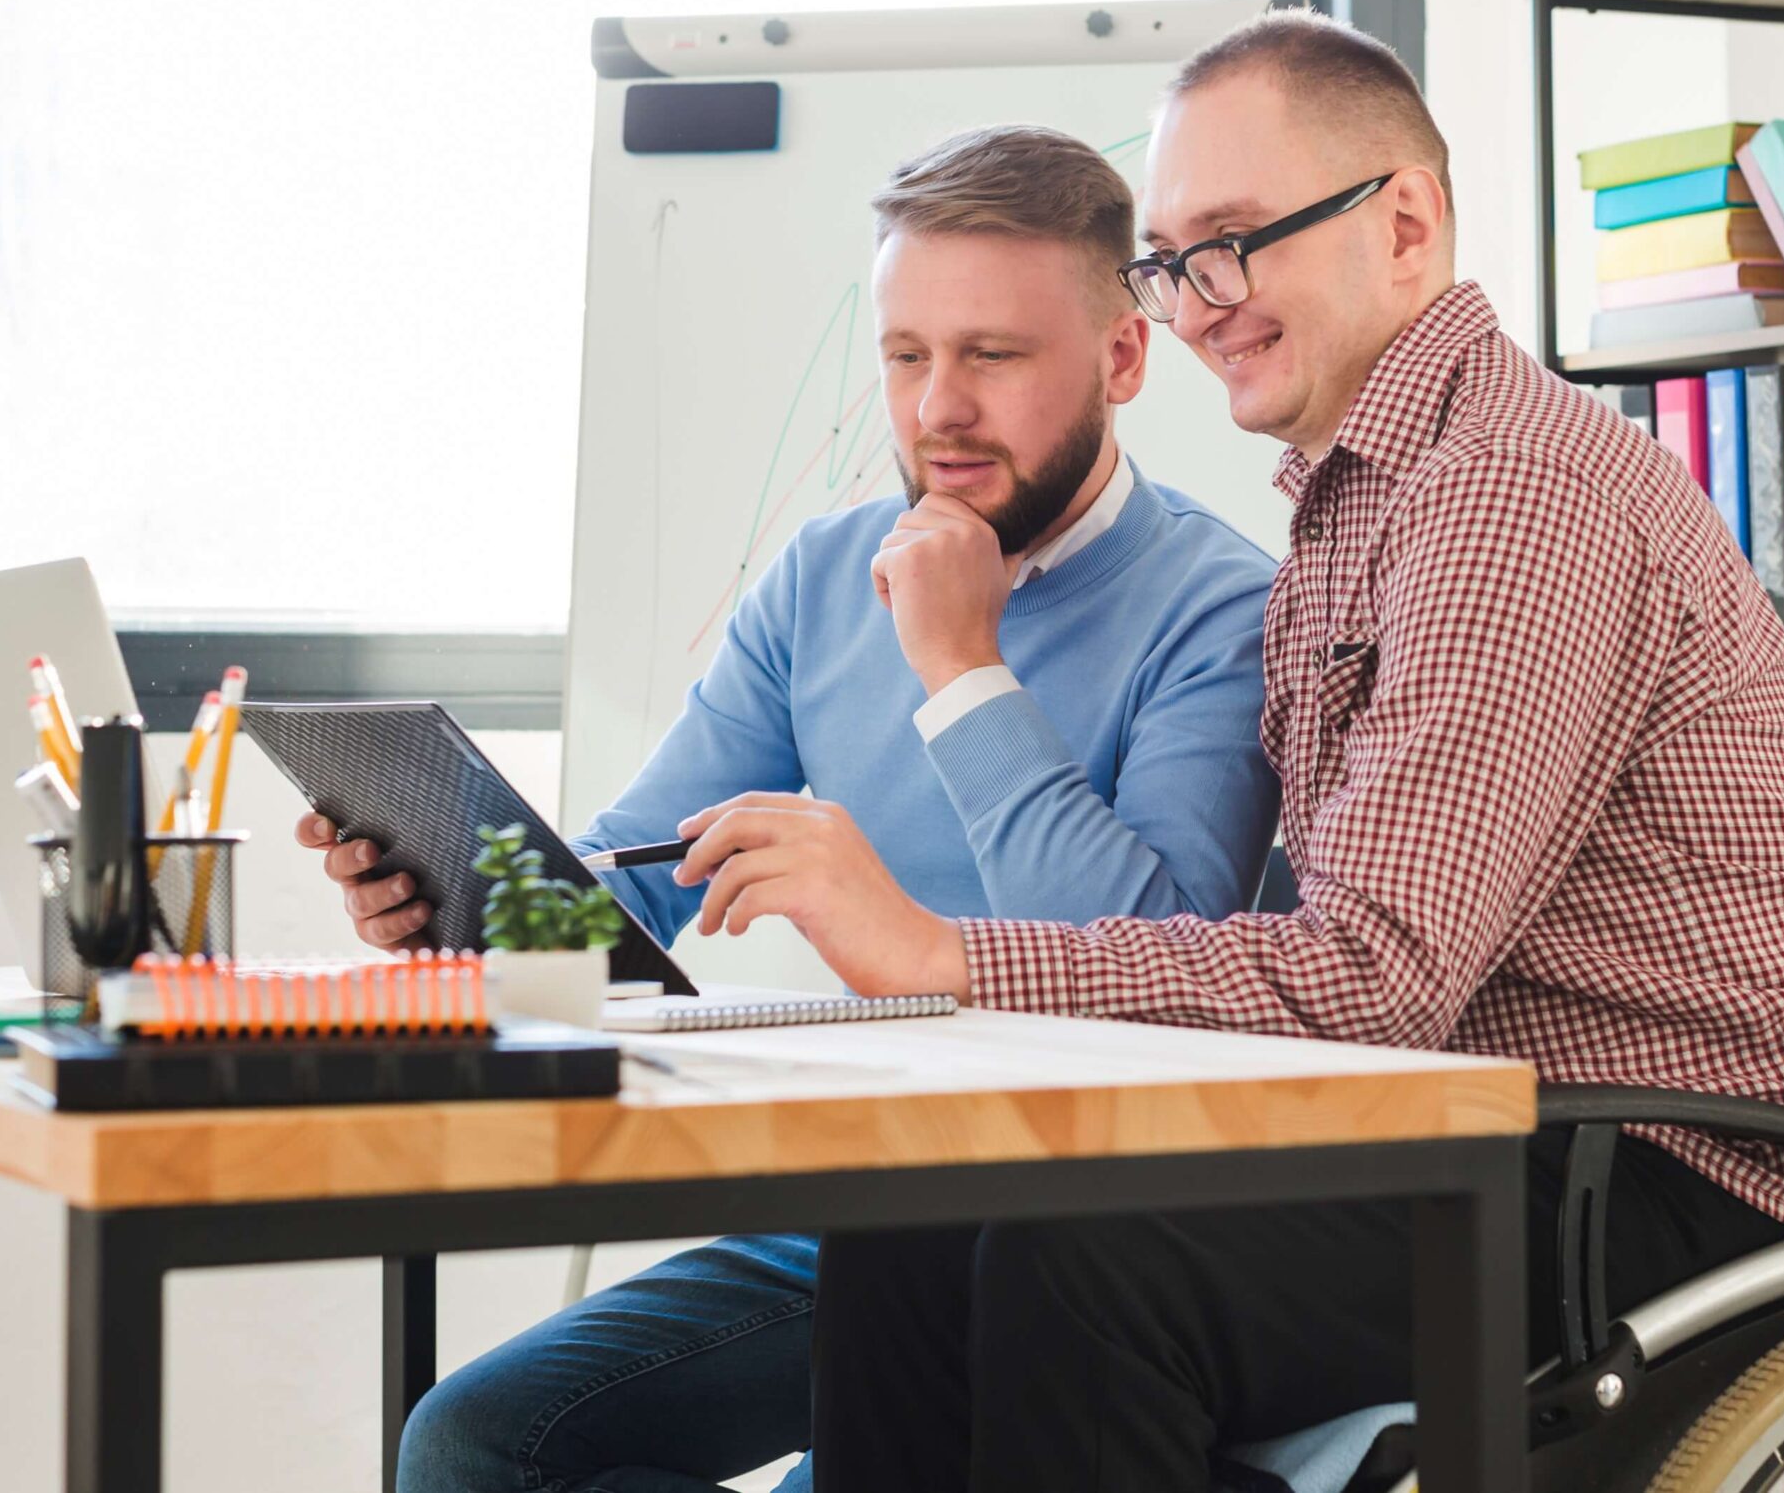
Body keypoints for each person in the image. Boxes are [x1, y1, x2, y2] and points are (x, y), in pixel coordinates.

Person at [674, 11, 1784, 1493]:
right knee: (919, 1218)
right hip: (1487, 1122)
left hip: (1694, 1172)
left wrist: (944, 952)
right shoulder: (1357, 507)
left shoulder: (1510, 501)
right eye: (1171, 257)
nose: (1201, 302)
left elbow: (1371, 973)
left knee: (1092, 1265)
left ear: (1402, 226)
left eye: (1236, 242)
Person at [298, 123, 1282, 1493]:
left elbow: (1164, 953)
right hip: (863, 1206)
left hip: (1076, 1244)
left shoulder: (1224, 608)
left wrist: (959, 665)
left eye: (992, 356)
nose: (938, 405)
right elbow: (624, 885)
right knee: (474, 1448)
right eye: (904, 354)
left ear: (1123, 359)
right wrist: (445, 909)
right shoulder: (824, 576)